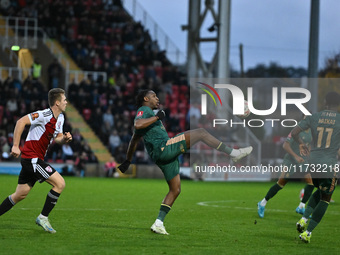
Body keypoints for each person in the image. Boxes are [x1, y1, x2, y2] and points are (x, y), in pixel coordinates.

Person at [118, 90, 253, 235]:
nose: (157, 98)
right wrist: (157, 117)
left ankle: (158, 223)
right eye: (154, 96)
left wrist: (128, 160)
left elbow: (134, 140)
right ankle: (234, 153)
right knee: (201, 132)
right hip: (164, 148)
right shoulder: (144, 110)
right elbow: (138, 124)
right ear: (146, 98)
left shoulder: (148, 115)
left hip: (162, 156)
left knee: (175, 189)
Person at [0, 88, 72, 233]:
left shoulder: (61, 118)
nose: (66, 102)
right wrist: (15, 145)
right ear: (57, 103)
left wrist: (63, 139)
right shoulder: (44, 114)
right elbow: (21, 121)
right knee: (60, 183)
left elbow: (56, 138)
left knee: (20, 194)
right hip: (31, 158)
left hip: (35, 159)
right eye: (64, 100)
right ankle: (43, 217)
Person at [293, 91, 340, 243]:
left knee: (320, 191)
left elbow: (294, 132)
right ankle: (307, 232)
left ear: (325, 101)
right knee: (326, 198)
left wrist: (300, 143)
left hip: (313, 161)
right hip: (329, 163)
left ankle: (303, 219)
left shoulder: (314, 117)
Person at [257, 126, 314, 218]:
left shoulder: (311, 132)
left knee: (311, 183)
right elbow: (285, 145)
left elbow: (308, 145)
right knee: (280, 184)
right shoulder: (296, 131)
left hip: (302, 160)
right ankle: (262, 203)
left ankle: (301, 207)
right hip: (291, 160)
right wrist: (296, 156)